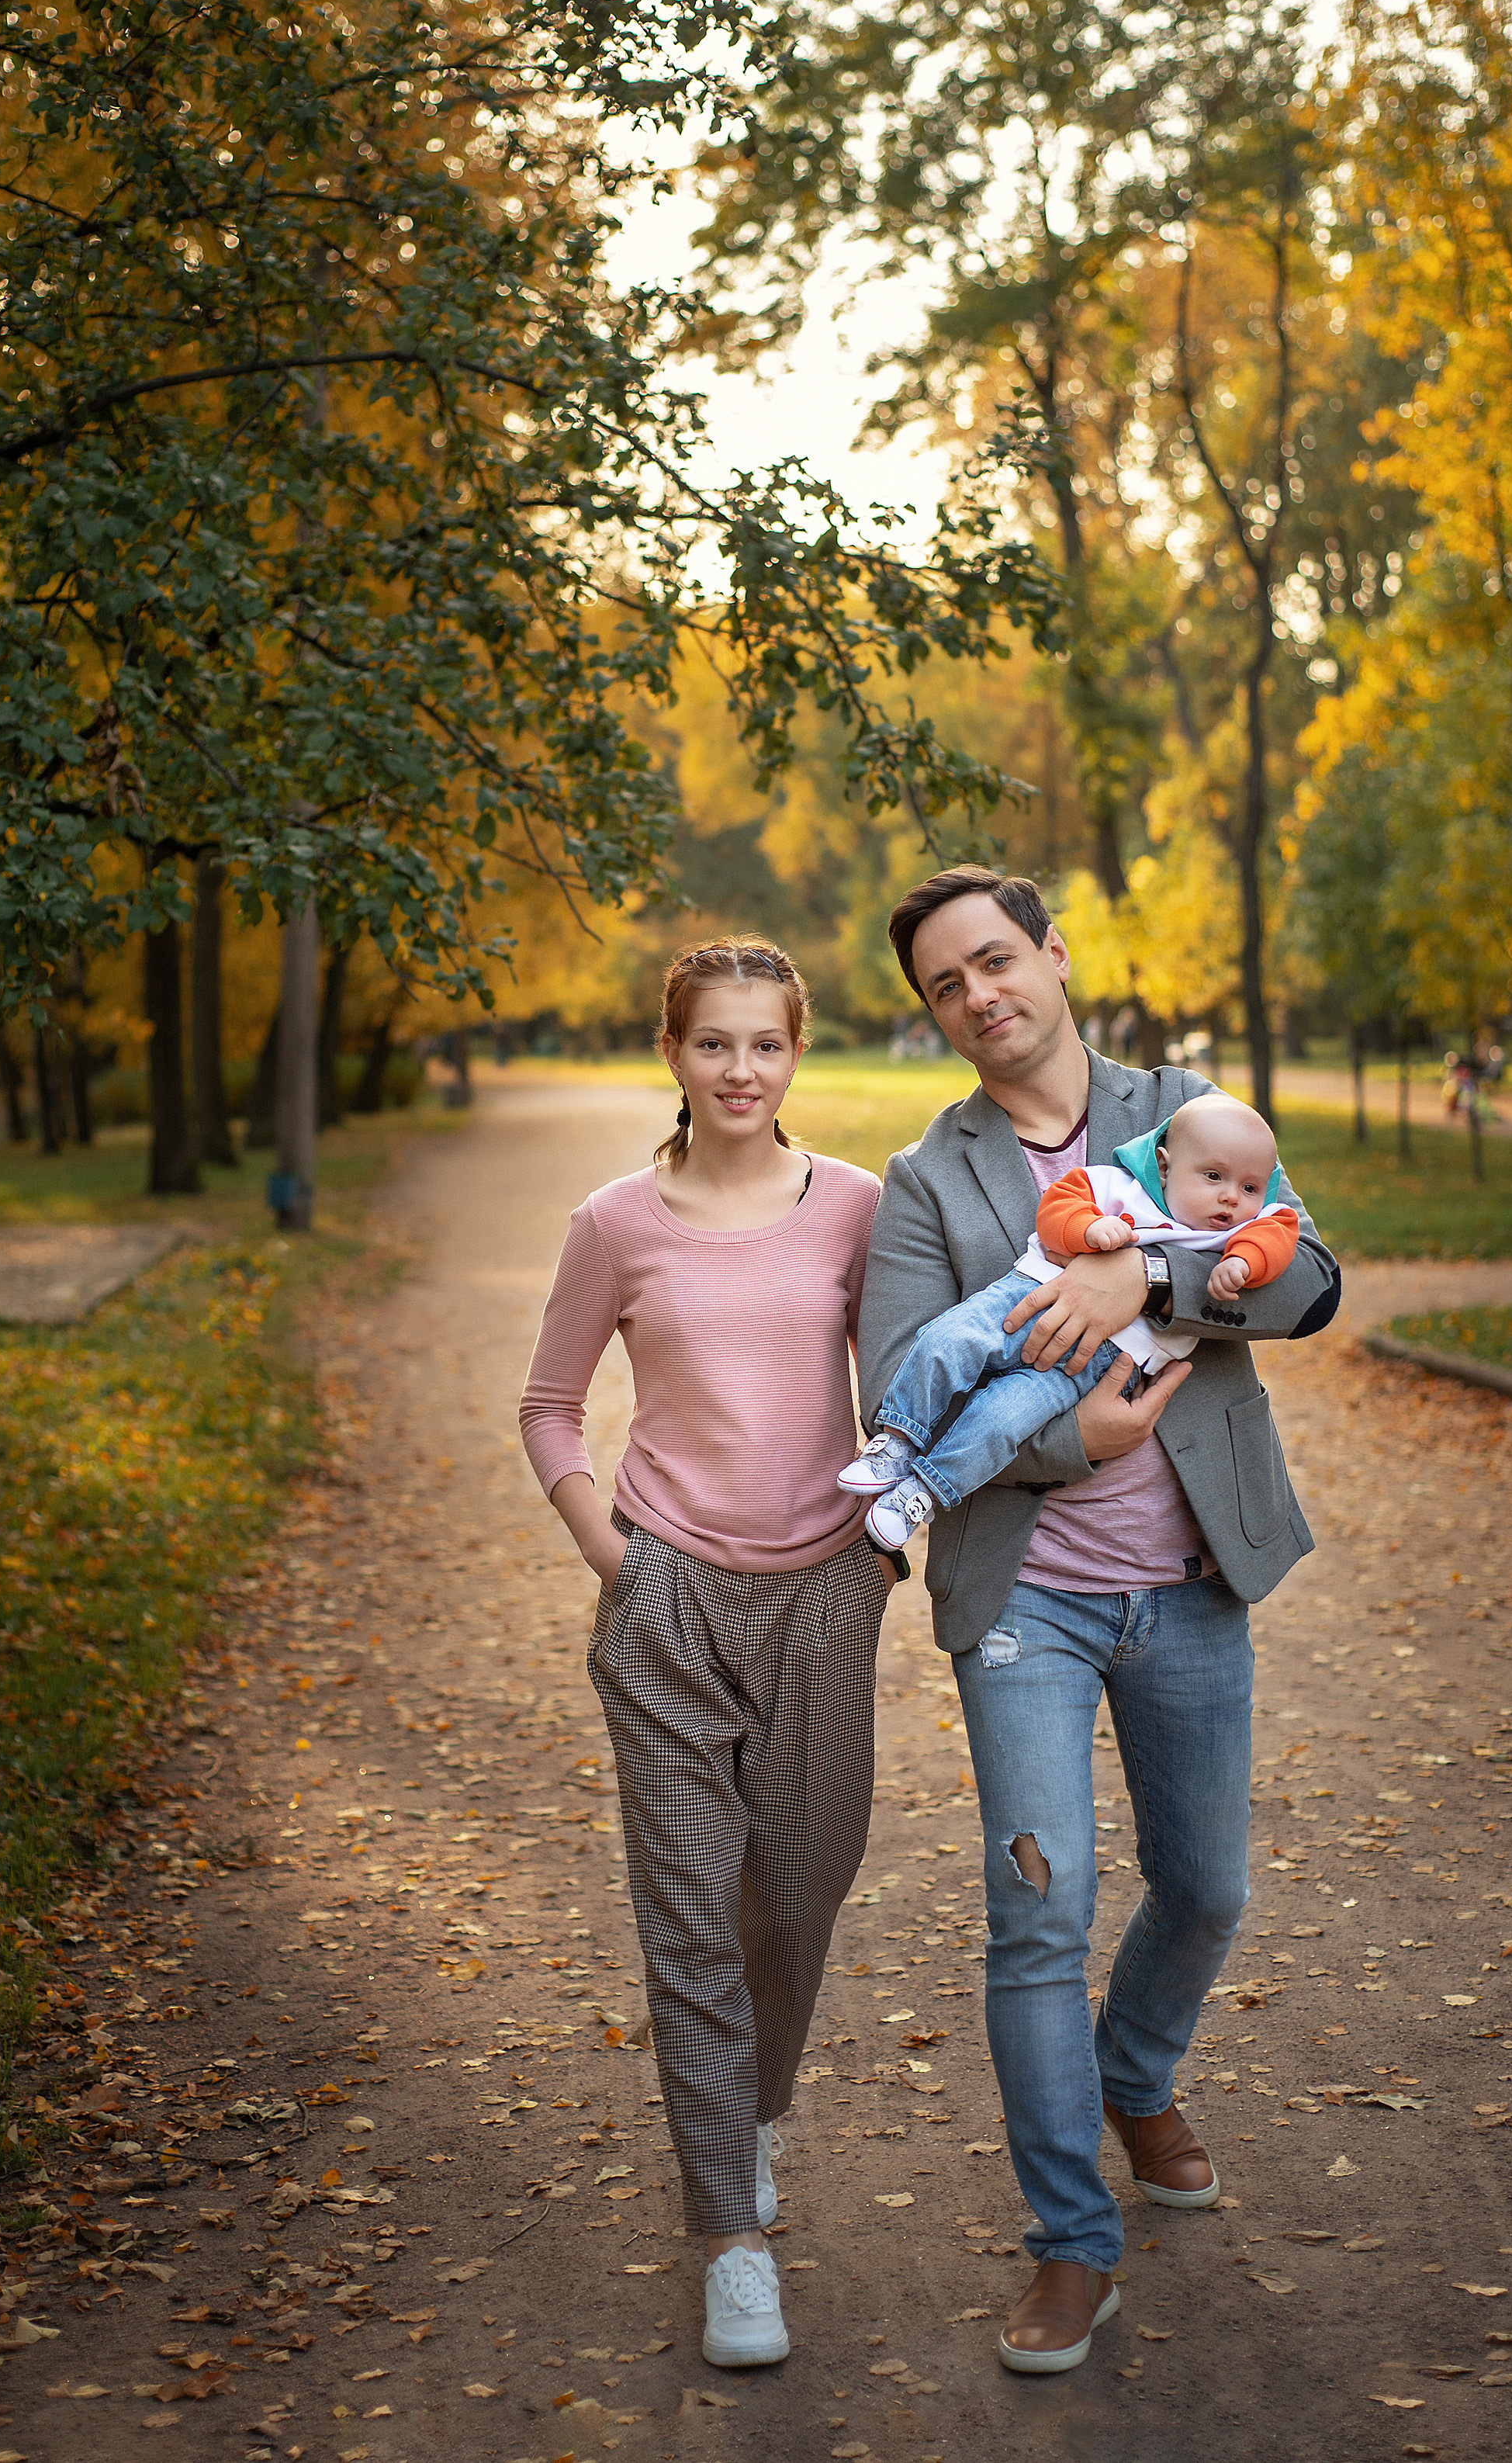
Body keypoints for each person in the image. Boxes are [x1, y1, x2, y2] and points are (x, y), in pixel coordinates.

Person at [856, 866, 1339, 2378]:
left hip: (1195, 1581)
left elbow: (1309, 1283)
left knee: (1204, 1890)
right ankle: (1071, 2245)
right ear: (935, 1012)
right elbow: (902, 1382)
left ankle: (1136, 2072)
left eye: (997, 958)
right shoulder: (928, 1179)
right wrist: (1086, 1441)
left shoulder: (1185, 1107)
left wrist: (1149, 1269)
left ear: (1054, 954)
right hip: (1027, 1604)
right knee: (1037, 1916)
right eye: (947, 982)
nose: (980, 993)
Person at [518, 938, 894, 2372]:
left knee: (793, 1904)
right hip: (665, 1604)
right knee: (688, 1920)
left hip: (821, 1598)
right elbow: (551, 1408)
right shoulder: (614, 1224)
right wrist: (615, 1561)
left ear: (795, 1055)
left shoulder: (853, 1208)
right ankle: (730, 2235)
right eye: (712, 1044)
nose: (740, 1070)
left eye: (765, 1045)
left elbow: (909, 1383)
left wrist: (881, 1544)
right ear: (669, 1053)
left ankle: (749, 2115)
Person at [842, 1094, 1298, 1550]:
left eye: (1251, 1187)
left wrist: (1244, 1262)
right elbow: (1058, 1207)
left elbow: (1281, 1241)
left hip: (1092, 1365)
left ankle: (921, 1493)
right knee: (950, 1341)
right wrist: (1088, 1230)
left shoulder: (1241, 1226)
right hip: (1028, 1297)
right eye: (1213, 1177)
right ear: (1164, 1165)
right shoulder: (1122, 1188)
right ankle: (897, 1441)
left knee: (1004, 1418)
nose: (1230, 1197)